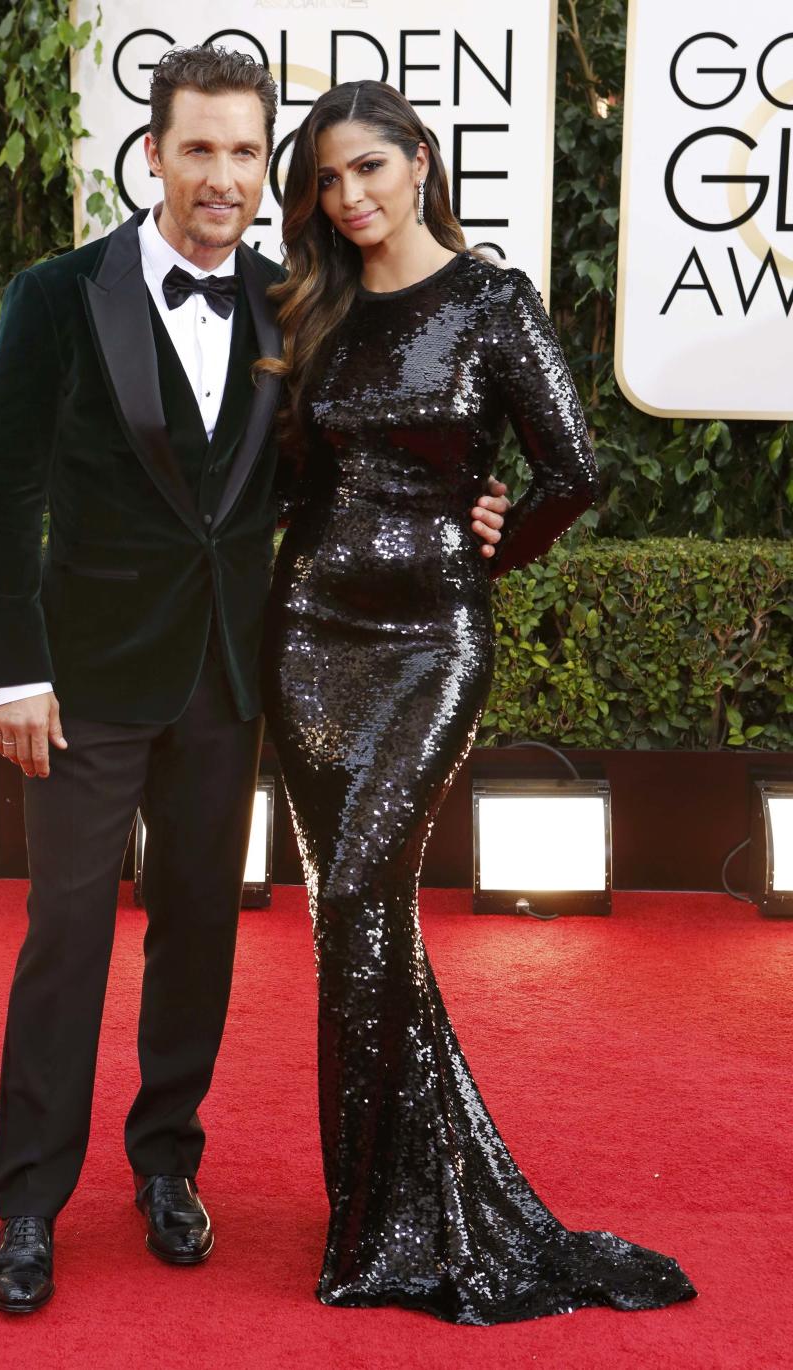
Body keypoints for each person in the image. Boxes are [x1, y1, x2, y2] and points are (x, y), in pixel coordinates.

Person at [0, 47, 510, 1313]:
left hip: (231, 673)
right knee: (63, 938)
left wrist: (471, 509)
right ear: (150, 154)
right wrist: (14, 673)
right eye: (196, 149)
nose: (221, 177)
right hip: (86, 680)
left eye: (242, 154)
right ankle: (30, 1203)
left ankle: (166, 1166)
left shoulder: (294, 299)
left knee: (201, 933)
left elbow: (341, 471)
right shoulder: (60, 294)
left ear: (269, 168)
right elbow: (7, 495)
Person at [260, 80, 698, 1326]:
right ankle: (392, 1202)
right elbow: (292, 480)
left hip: (428, 645)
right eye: (328, 181)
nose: (349, 198)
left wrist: (499, 545)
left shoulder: (493, 300)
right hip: (305, 637)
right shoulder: (320, 308)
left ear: (421, 161)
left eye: (368, 170)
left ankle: (390, 1216)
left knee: (359, 895)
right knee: (359, 915)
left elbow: (575, 466)